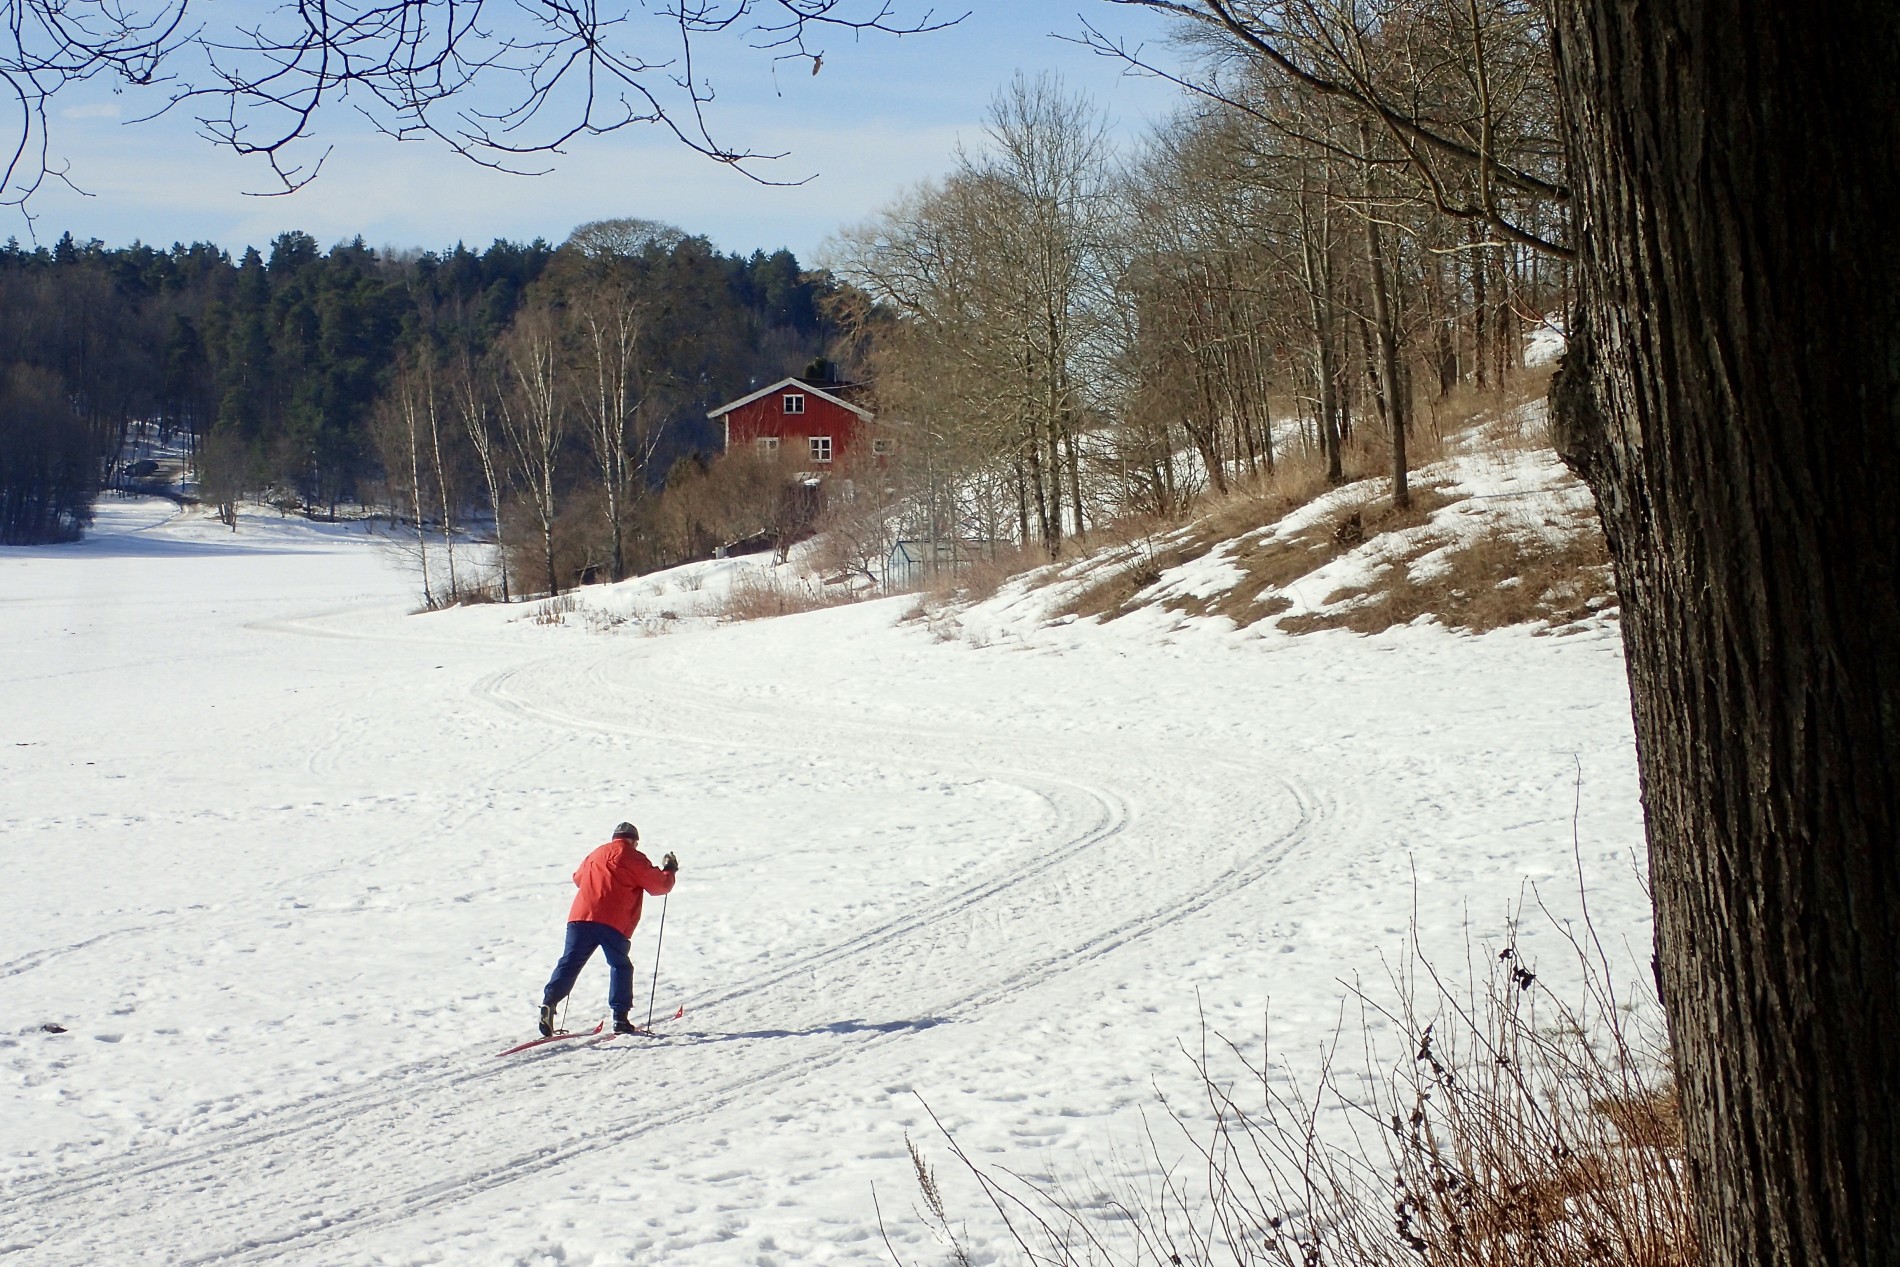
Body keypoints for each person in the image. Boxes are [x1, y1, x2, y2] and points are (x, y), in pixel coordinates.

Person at [539, 822, 678, 1036]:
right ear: (633, 840)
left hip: (580, 917)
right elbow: (660, 886)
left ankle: (549, 1002)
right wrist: (669, 870)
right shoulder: (633, 856)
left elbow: (578, 878)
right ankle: (620, 1018)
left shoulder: (597, 852)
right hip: (613, 921)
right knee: (620, 966)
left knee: (570, 962)